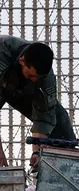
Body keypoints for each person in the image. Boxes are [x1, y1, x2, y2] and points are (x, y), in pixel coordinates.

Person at [0, 37, 75, 169]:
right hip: (4, 78)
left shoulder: (46, 79)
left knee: (60, 123)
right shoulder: (3, 52)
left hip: (21, 88)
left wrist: (37, 152)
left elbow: (44, 117)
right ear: (22, 60)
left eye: (38, 78)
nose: (35, 80)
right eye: (31, 76)